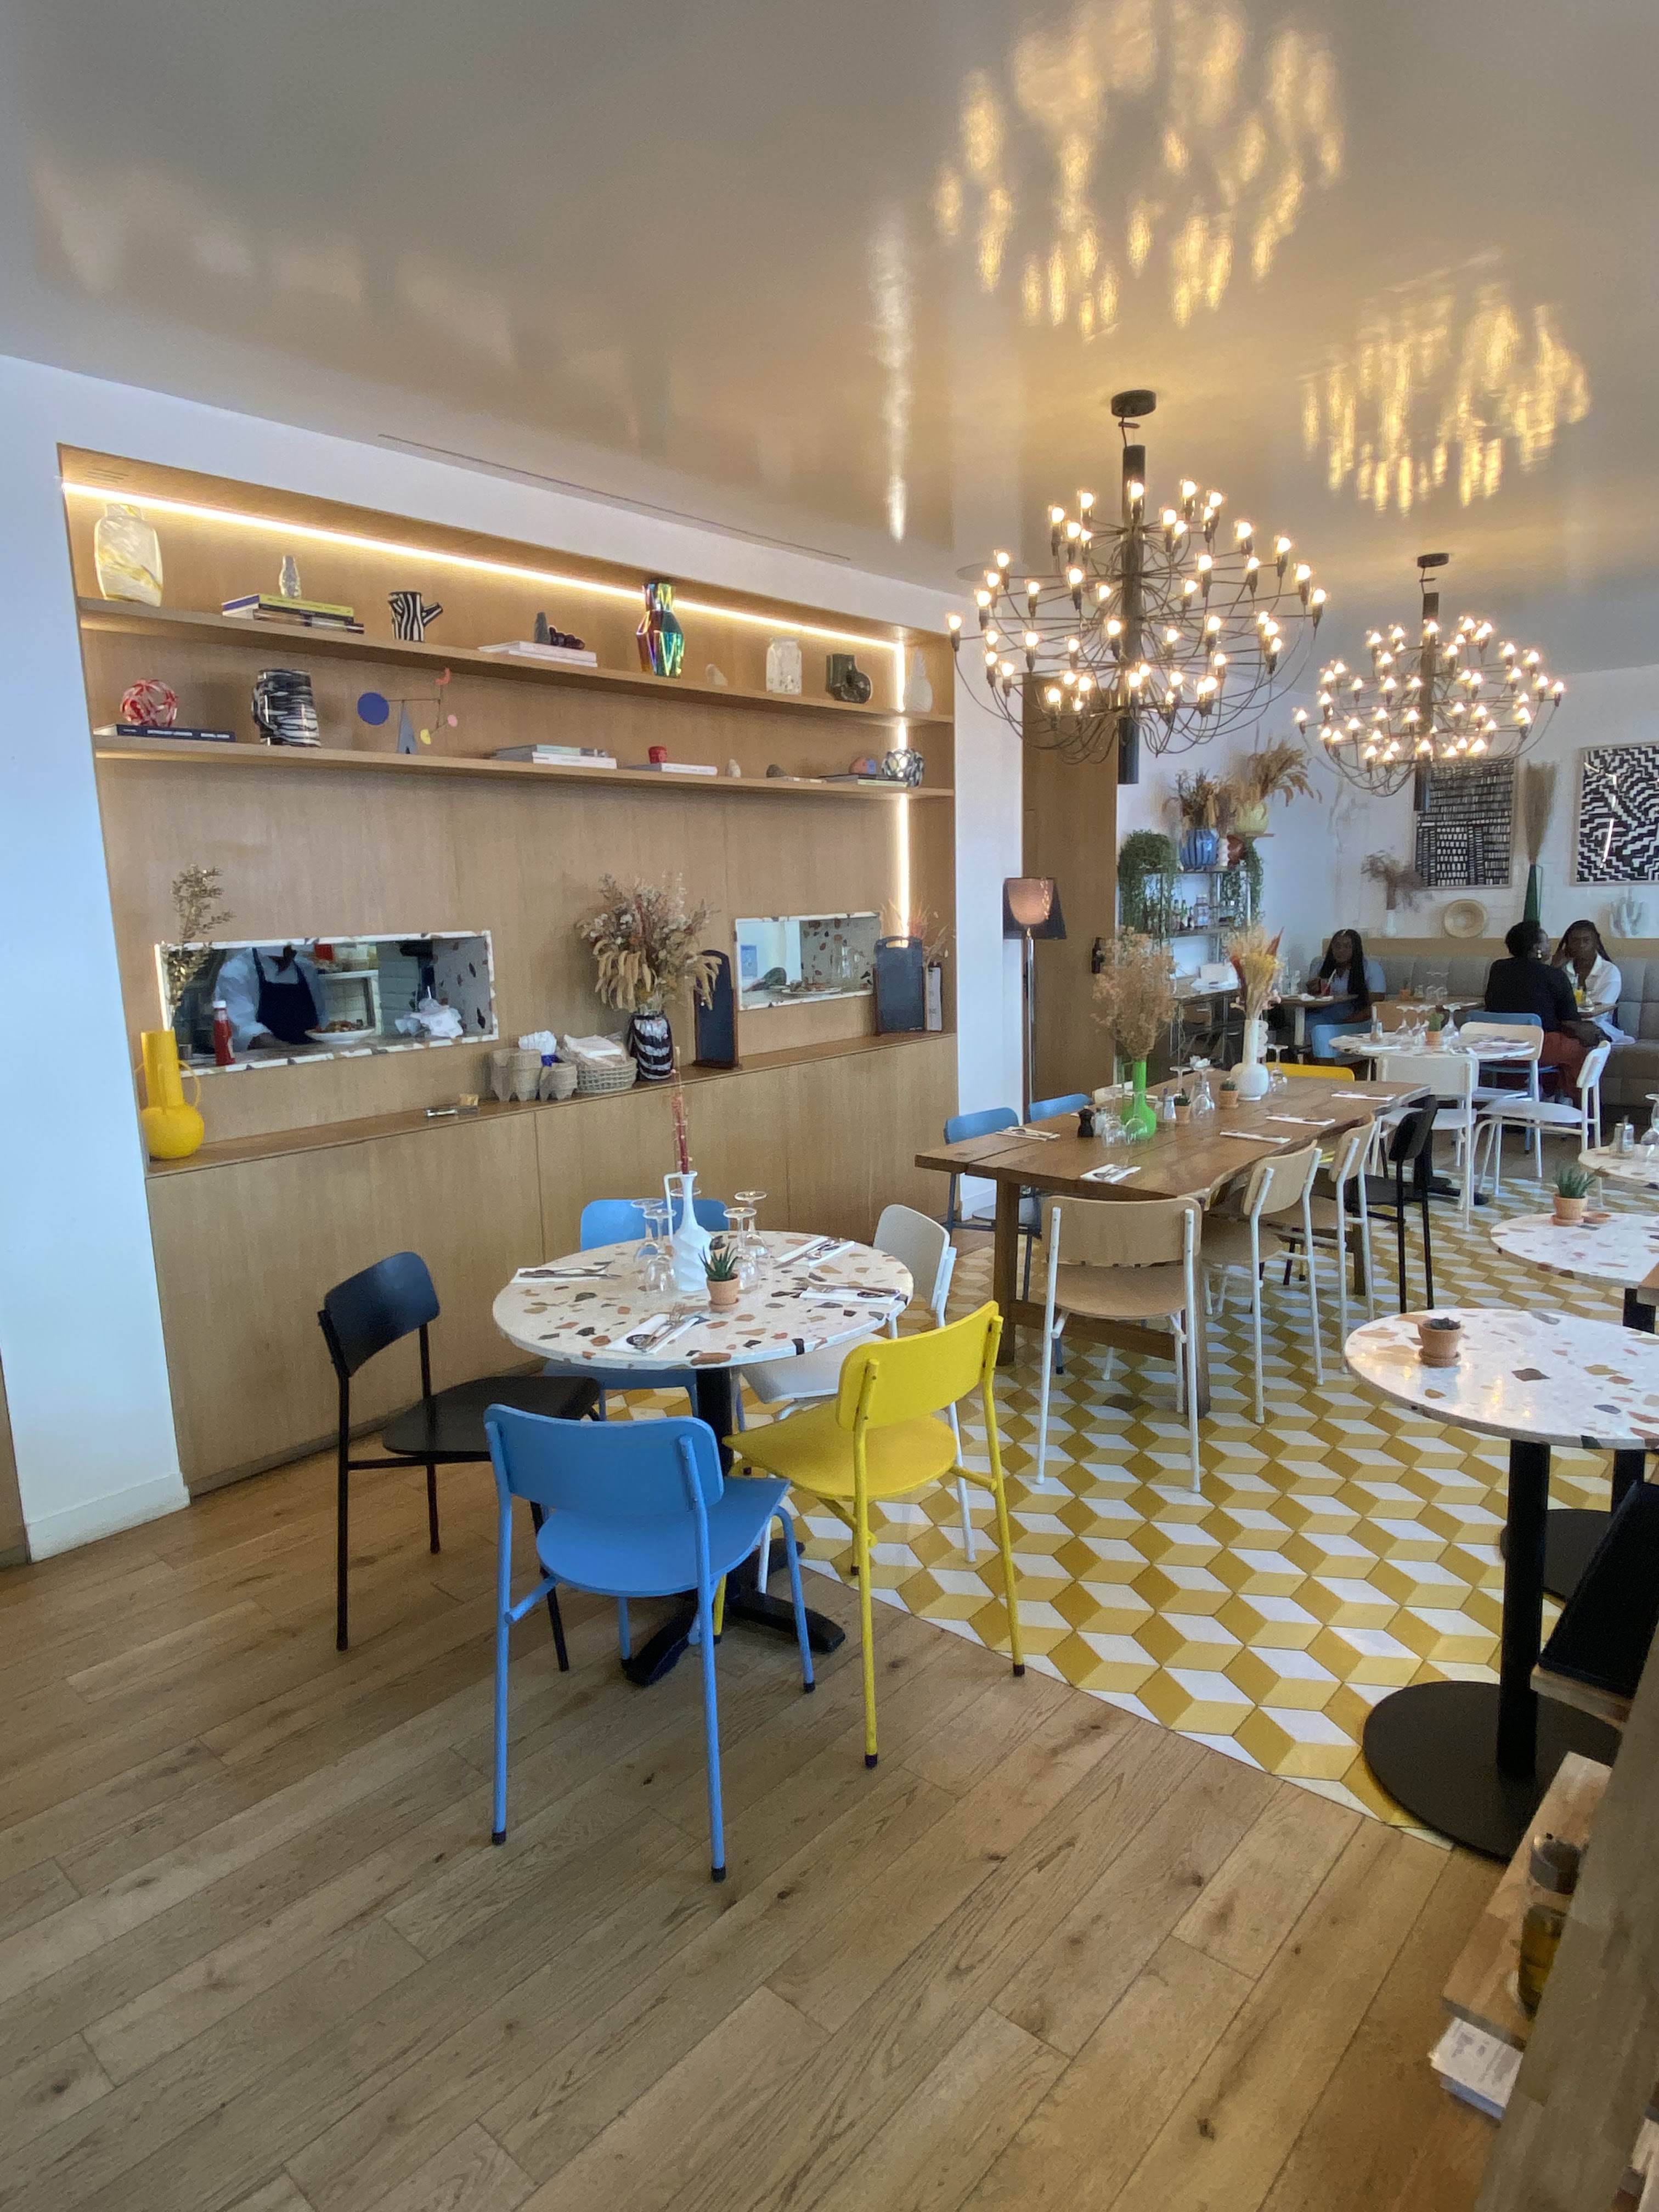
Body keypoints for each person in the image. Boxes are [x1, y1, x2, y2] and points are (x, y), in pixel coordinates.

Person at [1483, 920, 1601, 1090]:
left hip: (1499, 1046)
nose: (1551, 945)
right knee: (1577, 1050)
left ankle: (1517, 1093)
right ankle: (1575, 1101)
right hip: (1537, 1047)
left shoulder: (1498, 968)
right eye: (1547, 941)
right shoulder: (1554, 975)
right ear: (1537, 948)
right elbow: (1570, 1018)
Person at [211, 942, 324, 1051]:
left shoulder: (306, 969)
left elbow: (322, 1023)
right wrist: (293, 1051)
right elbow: (247, 1031)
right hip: (260, 1060)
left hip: (312, 1056)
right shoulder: (236, 971)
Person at [1552, 918, 1630, 1043]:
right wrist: (1553, 969)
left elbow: (1598, 1014)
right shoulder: (1562, 970)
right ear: (1568, 945)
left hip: (1598, 1027)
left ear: (1596, 943)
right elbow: (1546, 1002)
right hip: (1565, 1024)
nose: (1581, 946)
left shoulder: (1609, 971)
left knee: (1583, 1030)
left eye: (1586, 940)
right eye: (1575, 941)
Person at [1306, 928, 1385, 1022]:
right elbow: (1312, 1000)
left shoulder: (1371, 967)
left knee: (1318, 1029)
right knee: (1306, 1023)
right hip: (1325, 1014)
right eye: (1337, 946)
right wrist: (1313, 990)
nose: (1341, 950)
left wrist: (1344, 1023)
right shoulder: (1320, 965)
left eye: (1347, 947)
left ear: (1356, 949)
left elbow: (1375, 1006)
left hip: (1357, 1019)